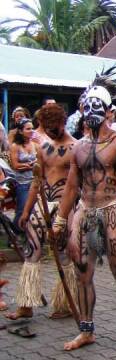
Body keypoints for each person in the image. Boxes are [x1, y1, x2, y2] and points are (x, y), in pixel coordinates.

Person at [51, 67, 116, 350]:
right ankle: (87, 329)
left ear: (107, 111)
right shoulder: (79, 147)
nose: (90, 110)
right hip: (84, 212)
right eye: (86, 106)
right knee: (82, 273)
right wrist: (60, 220)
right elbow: (71, 188)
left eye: (96, 106)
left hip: (112, 210)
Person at [4, 104, 78, 321]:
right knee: (32, 251)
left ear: (63, 123)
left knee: (64, 254)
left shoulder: (76, 147)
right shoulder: (43, 148)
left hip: (65, 205)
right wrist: (26, 210)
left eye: (52, 126)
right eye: (45, 127)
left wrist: (70, 216)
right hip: (42, 204)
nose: (49, 130)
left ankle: (65, 302)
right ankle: (26, 304)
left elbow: (77, 185)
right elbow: (37, 181)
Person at [9, 118, 37, 231]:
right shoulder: (15, 146)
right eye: (28, 129)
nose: (31, 131)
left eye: (32, 128)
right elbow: (15, 165)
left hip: (34, 182)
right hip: (22, 183)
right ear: (21, 131)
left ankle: (29, 232)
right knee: (22, 208)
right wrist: (29, 166)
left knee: (33, 209)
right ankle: (15, 232)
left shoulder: (36, 145)